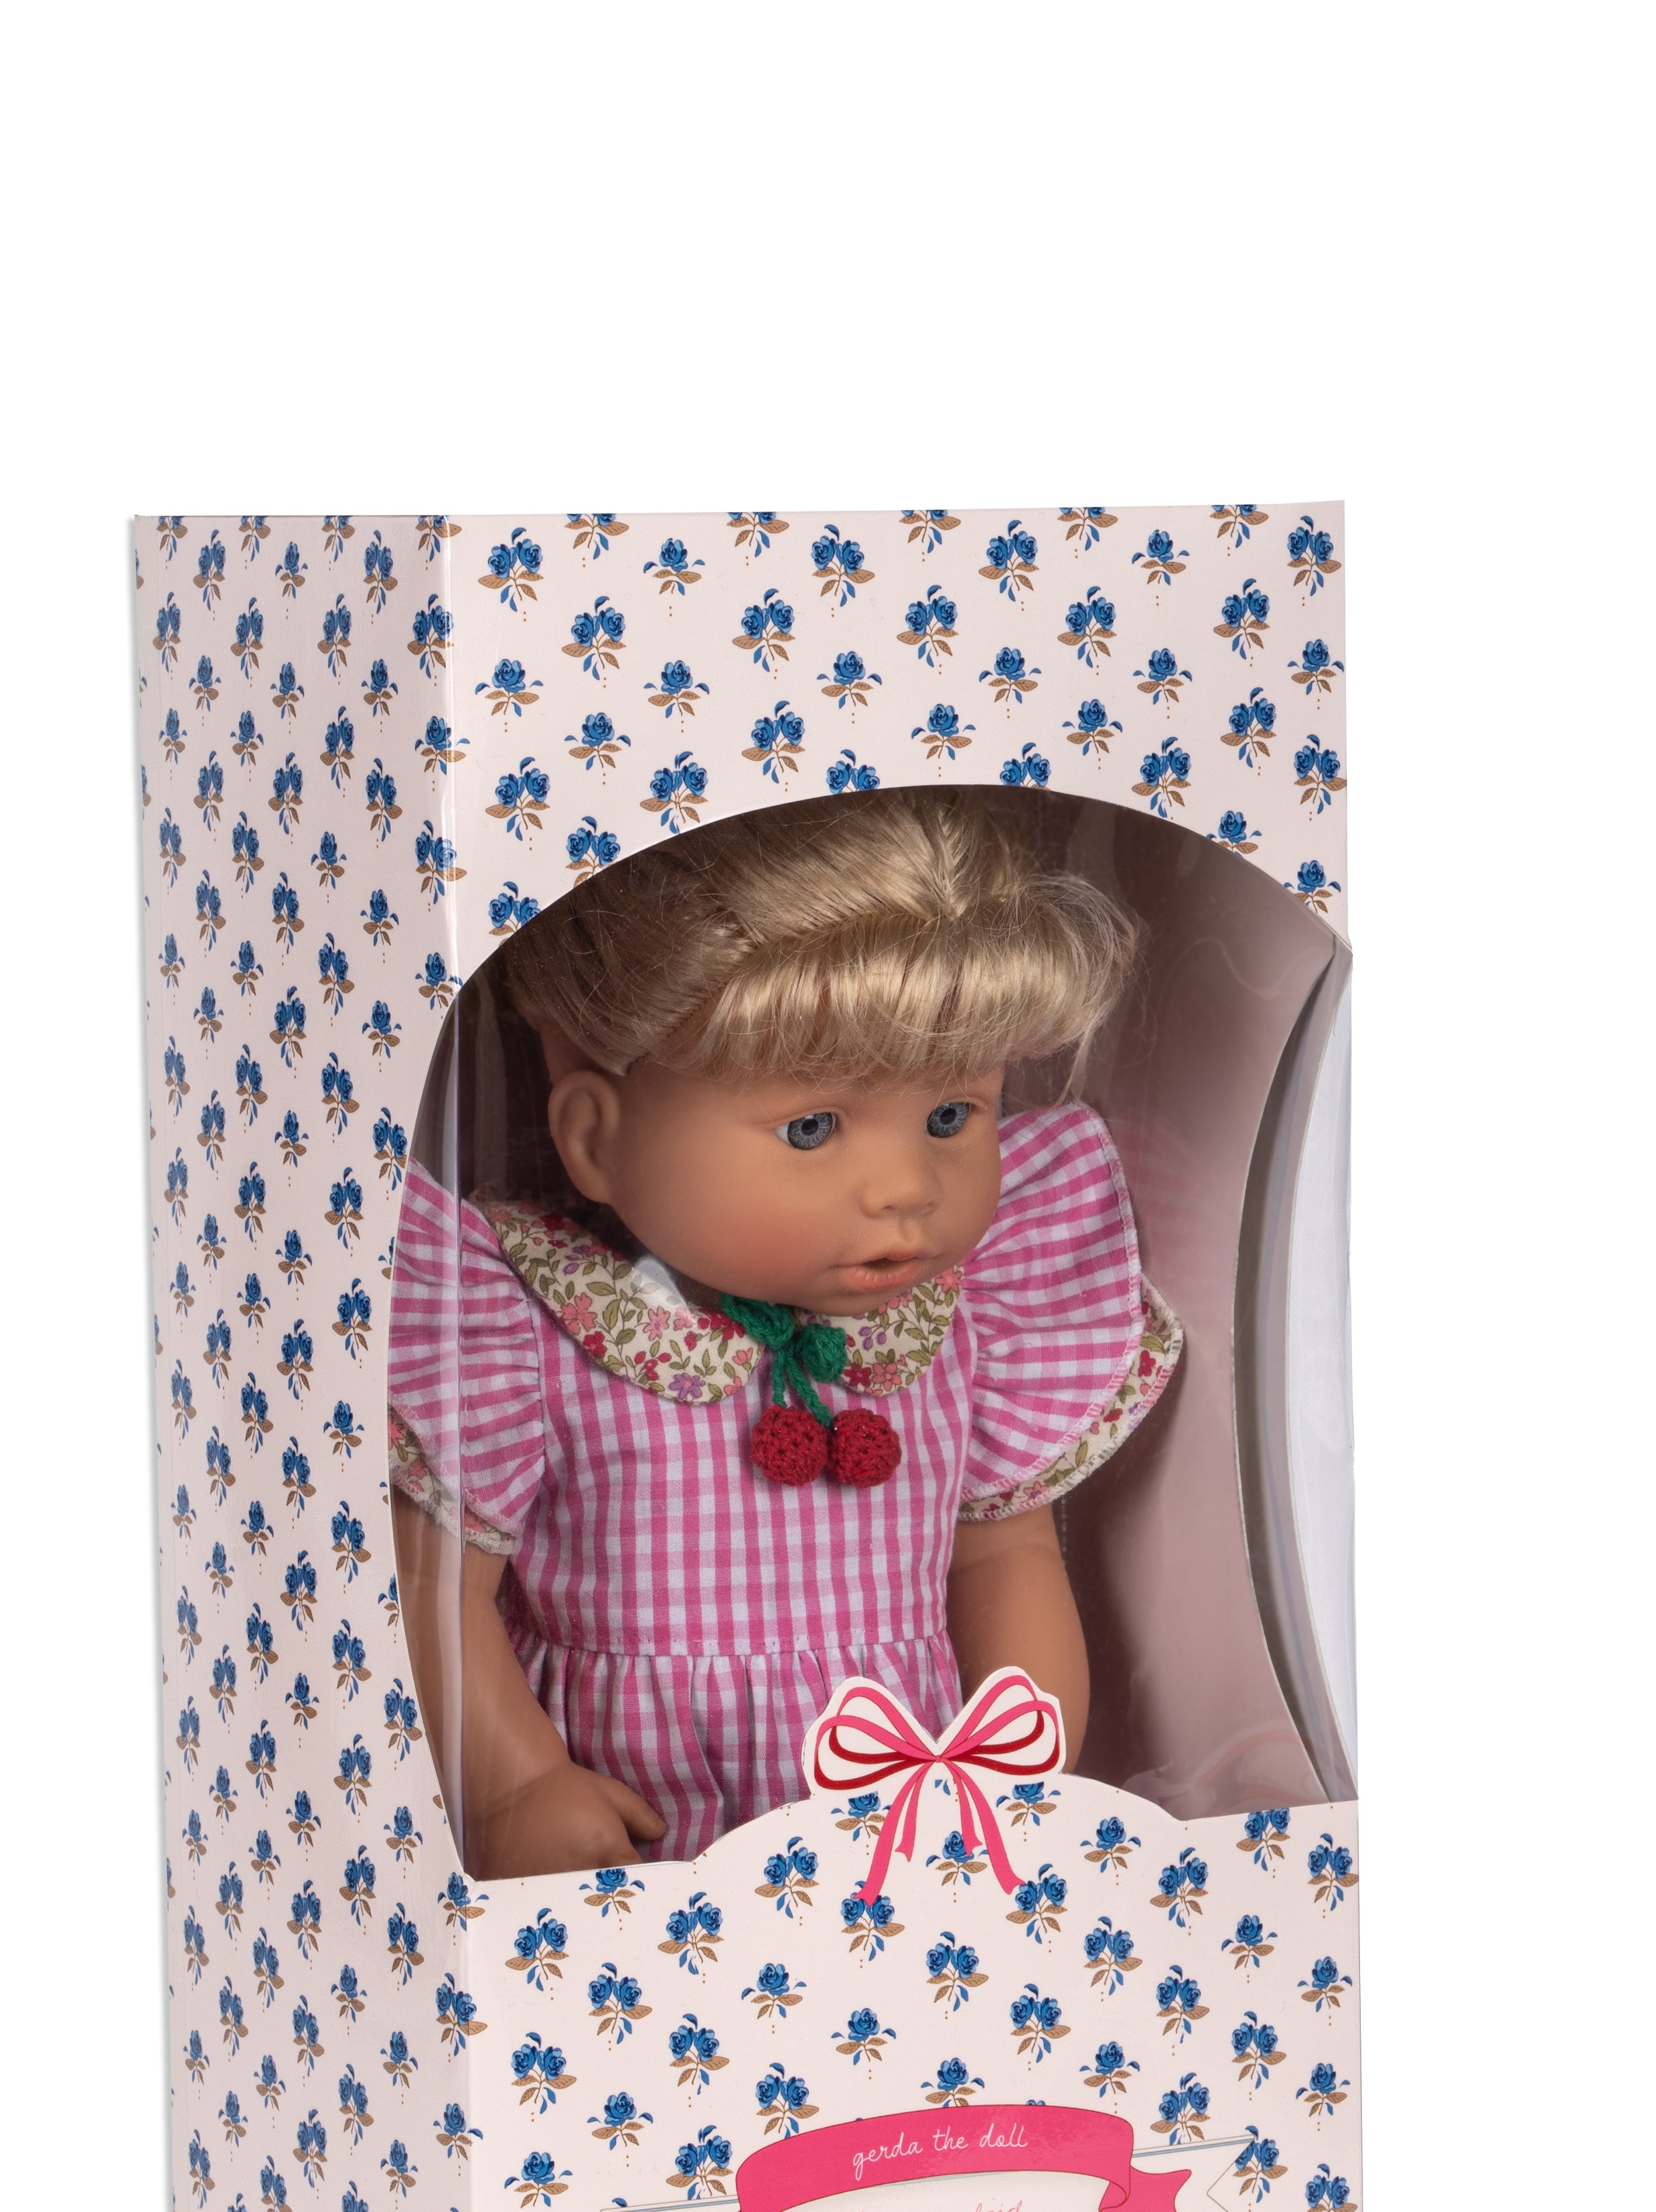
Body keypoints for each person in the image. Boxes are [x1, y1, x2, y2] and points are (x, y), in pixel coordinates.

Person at [388, 787, 1181, 1871]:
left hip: (906, 1827)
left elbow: (1007, 1557)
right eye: (811, 1128)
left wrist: (1020, 1768)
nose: (906, 1187)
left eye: (951, 1115)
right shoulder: (529, 1330)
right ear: (595, 1137)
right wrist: (515, 1783)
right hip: (641, 1842)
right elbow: (433, 1590)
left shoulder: (964, 1331)